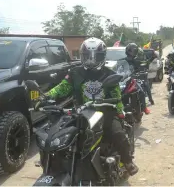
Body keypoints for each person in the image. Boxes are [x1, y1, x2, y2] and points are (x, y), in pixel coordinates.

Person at [39, 37, 139, 176]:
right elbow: (62, 88)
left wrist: (119, 109)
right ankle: (53, 166)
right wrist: (45, 96)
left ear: (102, 56)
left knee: (118, 133)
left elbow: (117, 96)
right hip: (80, 113)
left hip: (105, 113)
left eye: (95, 57)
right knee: (56, 136)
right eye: (87, 56)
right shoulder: (75, 73)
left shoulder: (109, 74)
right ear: (82, 56)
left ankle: (127, 161)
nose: (91, 60)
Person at [123, 43, 155, 110]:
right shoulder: (122, 60)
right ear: (127, 50)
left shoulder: (136, 60)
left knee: (142, 91)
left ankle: (144, 108)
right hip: (124, 80)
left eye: (134, 51)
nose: (132, 52)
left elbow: (144, 64)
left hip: (133, 79)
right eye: (131, 50)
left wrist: (151, 59)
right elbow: (117, 69)